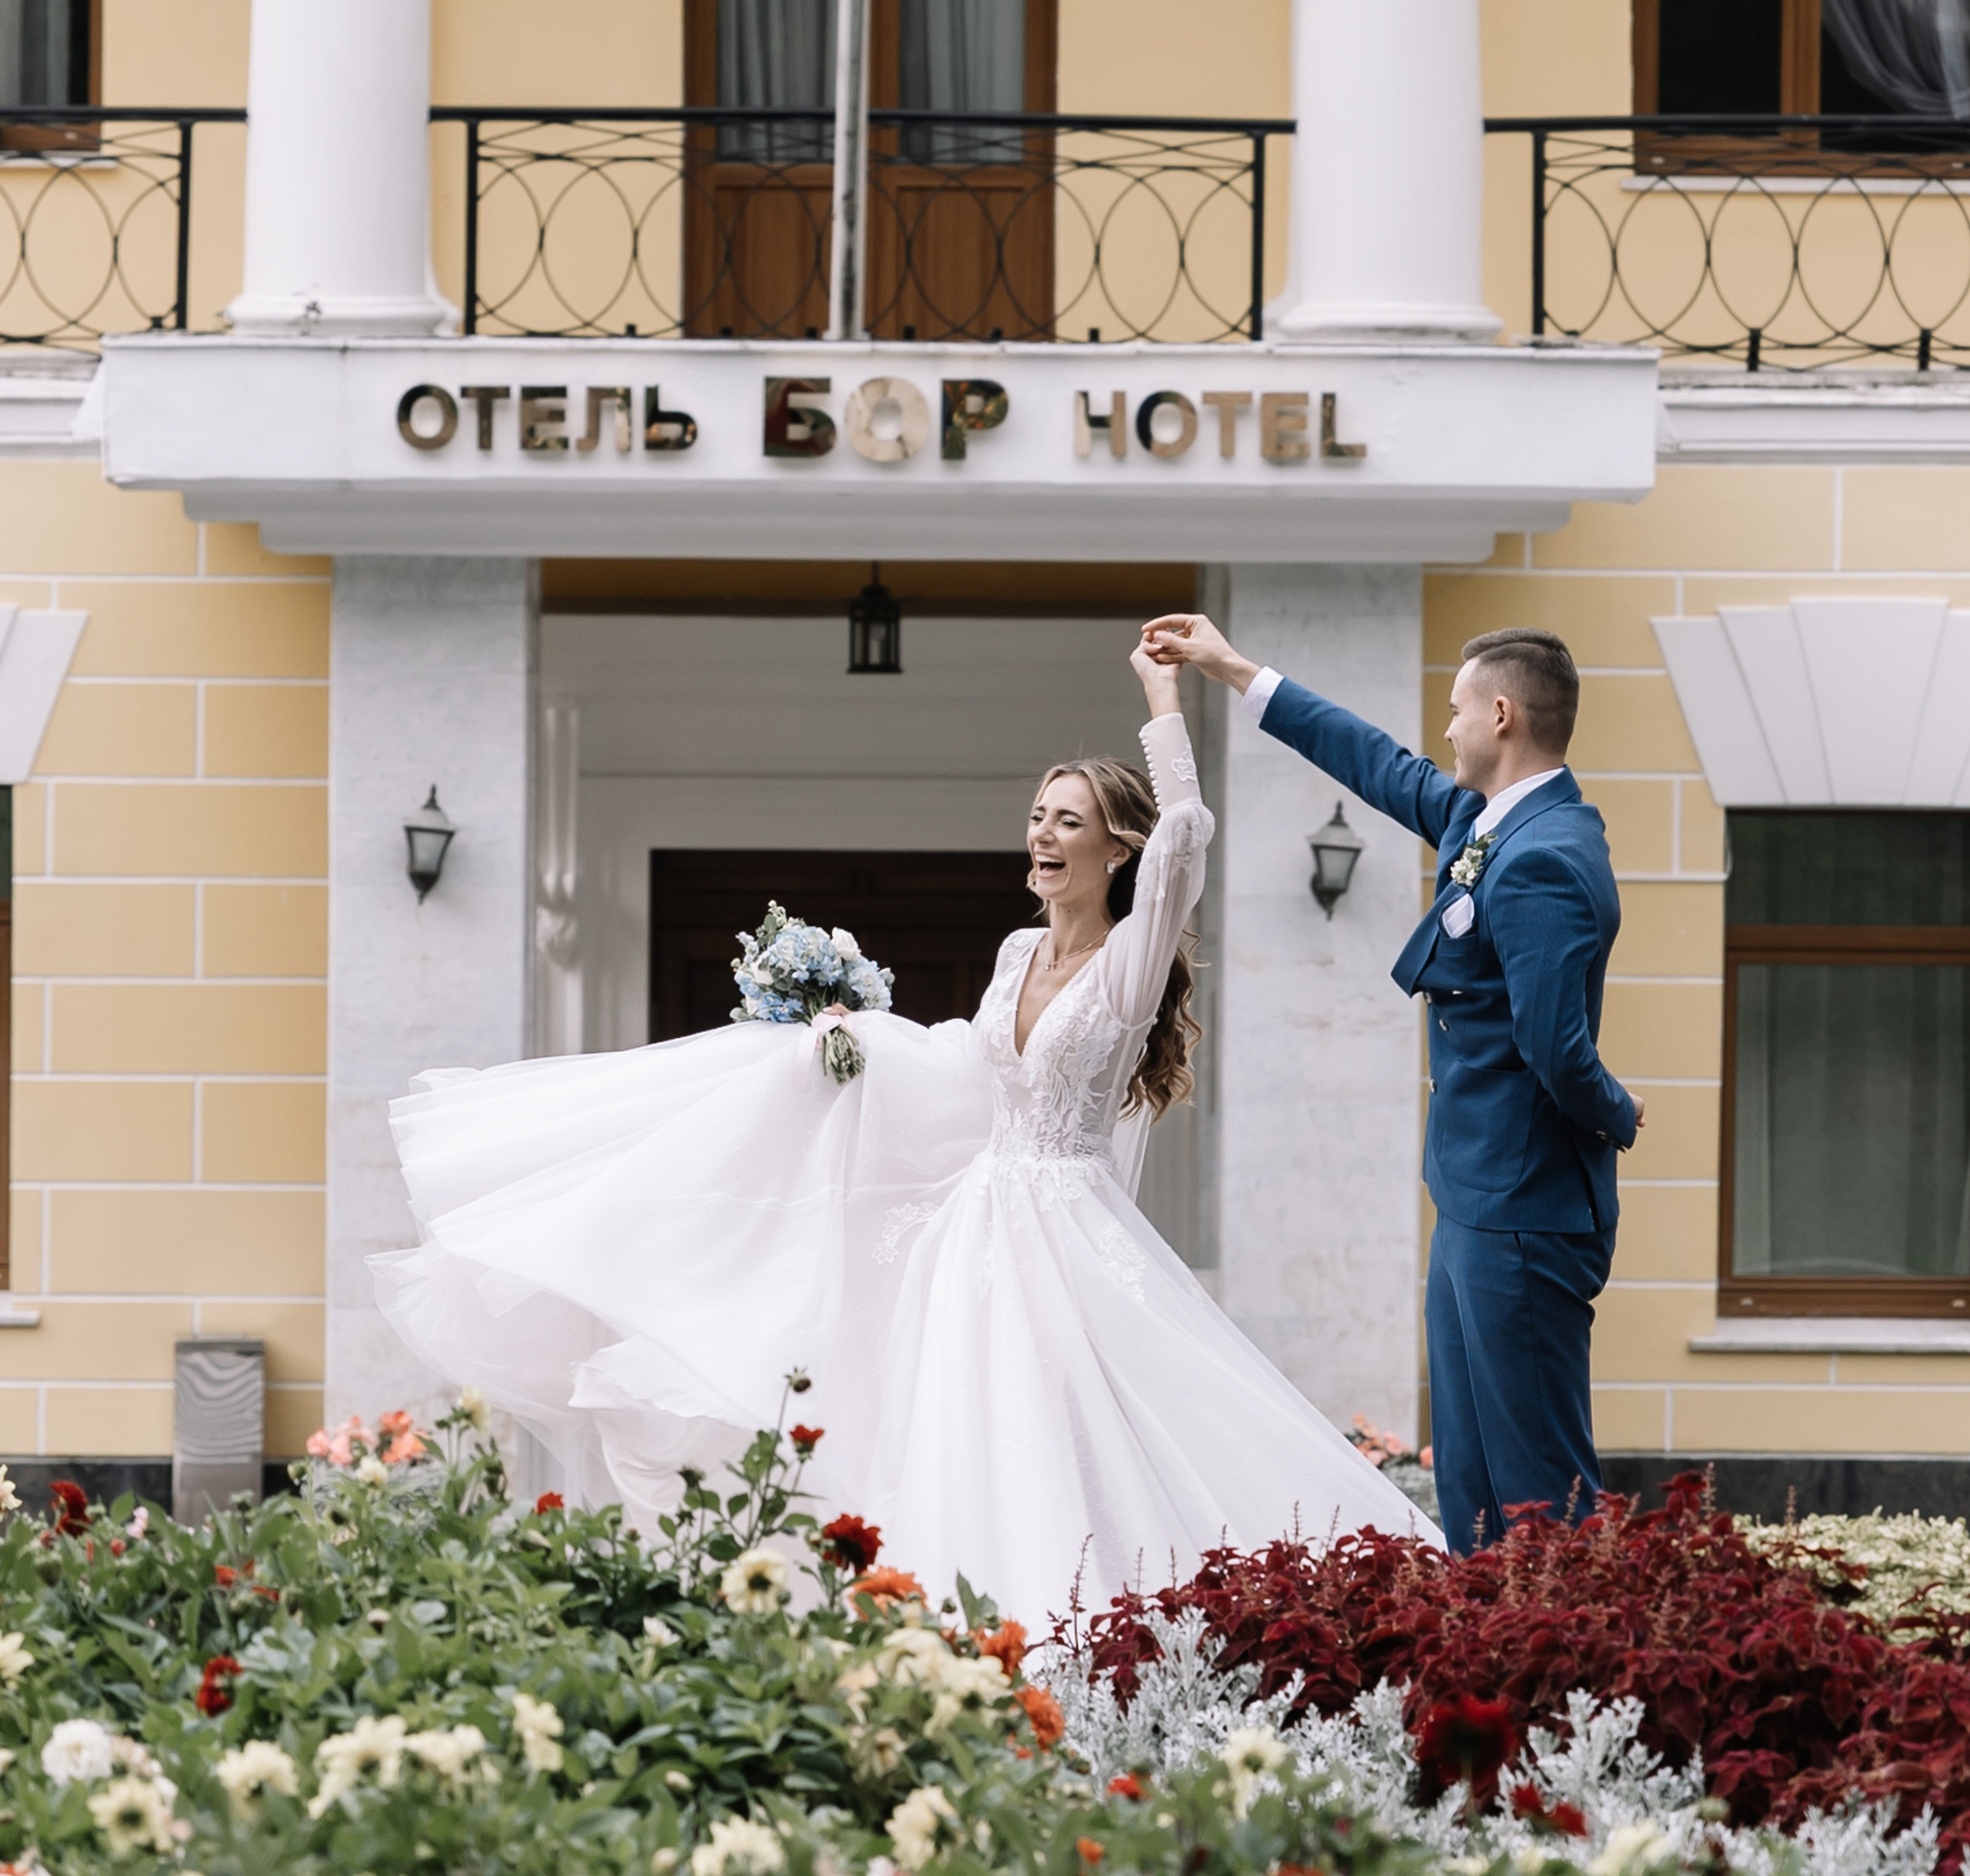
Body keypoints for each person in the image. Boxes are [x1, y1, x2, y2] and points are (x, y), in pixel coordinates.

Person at [372, 636, 1439, 1625]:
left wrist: (1168, 697)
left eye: (1069, 821)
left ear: (1118, 850)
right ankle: (947, 1626)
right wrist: (858, 1041)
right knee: (946, 1424)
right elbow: (966, 1064)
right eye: (1036, 815)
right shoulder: (1019, 956)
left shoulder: (1130, 956)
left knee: (1077, 1428)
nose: (1043, 834)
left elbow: (1190, 840)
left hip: (1067, 1229)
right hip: (972, 1219)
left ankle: (1086, 1622)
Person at [1143, 611, 1640, 1555]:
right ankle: (1483, 1668)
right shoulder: (1486, 820)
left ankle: (1576, 1671)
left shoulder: (1545, 859)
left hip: (1525, 1209)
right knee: (1470, 1471)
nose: (1443, 729)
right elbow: (1375, 761)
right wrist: (1233, 669)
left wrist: (1620, 1112)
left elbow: (1555, 1048)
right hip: (1473, 1194)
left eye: (1454, 711)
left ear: (1501, 716)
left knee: (1537, 1483)